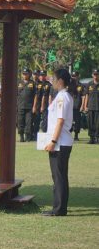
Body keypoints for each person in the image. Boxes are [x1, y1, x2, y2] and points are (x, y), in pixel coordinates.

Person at [42, 68, 74, 216]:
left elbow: (60, 121)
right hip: (61, 142)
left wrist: (53, 141)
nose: (52, 81)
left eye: (54, 79)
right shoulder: (62, 95)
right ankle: (58, 207)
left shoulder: (62, 97)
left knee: (59, 176)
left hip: (60, 142)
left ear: (60, 81)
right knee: (59, 176)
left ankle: (59, 209)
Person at [17, 68, 37, 142]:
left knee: (28, 122)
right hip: (20, 106)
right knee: (20, 121)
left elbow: (35, 95)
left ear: (29, 74)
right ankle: (21, 136)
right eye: (23, 74)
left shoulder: (32, 83)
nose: (24, 75)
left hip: (29, 106)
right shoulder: (19, 83)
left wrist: (34, 106)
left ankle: (28, 137)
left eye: (26, 74)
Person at [83, 69, 99, 144]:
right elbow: (86, 95)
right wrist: (85, 106)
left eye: (97, 74)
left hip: (98, 108)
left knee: (97, 123)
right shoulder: (89, 84)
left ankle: (97, 138)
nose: (95, 76)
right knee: (90, 123)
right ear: (92, 75)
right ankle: (91, 138)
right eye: (94, 74)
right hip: (90, 107)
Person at [70, 71, 84, 141]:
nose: (74, 77)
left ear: (78, 76)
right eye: (72, 76)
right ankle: (69, 135)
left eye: (75, 76)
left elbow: (83, 96)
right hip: (70, 107)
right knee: (69, 122)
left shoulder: (81, 85)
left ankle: (76, 135)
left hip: (77, 106)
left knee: (77, 122)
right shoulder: (69, 85)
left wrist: (82, 106)